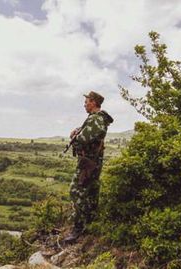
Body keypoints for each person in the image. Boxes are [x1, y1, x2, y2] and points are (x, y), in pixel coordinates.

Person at [64, 91, 114, 243]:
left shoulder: (96, 119)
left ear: (93, 102)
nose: (84, 104)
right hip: (92, 162)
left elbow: (83, 140)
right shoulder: (97, 120)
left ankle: (79, 228)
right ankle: (91, 222)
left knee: (76, 191)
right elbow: (88, 133)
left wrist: (75, 136)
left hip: (88, 163)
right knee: (91, 192)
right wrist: (79, 131)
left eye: (86, 101)